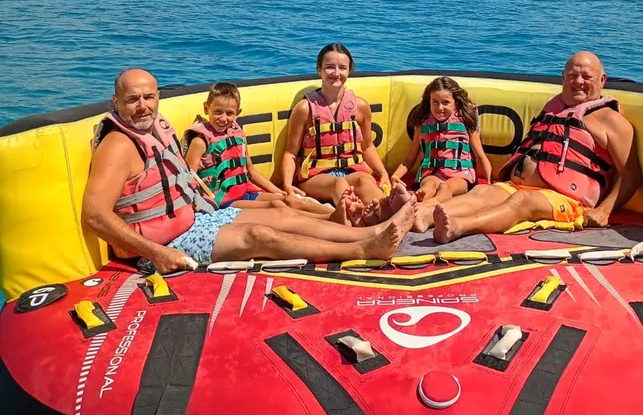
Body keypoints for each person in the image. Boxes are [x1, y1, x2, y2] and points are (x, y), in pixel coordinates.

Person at [81, 68, 415, 274]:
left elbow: (175, 175)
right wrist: (157, 253)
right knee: (258, 236)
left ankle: (376, 231)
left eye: (149, 97)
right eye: (133, 99)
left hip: (196, 218)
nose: (143, 106)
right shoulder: (119, 145)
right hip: (167, 242)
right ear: (116, 102)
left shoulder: (155, 130)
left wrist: (196, 187)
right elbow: (94, 216)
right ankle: (361, 249)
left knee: (283, 215)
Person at [413, 51, 641, 242]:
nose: (578, 81)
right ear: (563, 77)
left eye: (586, 76)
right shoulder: (555, 107)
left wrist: (604, 211)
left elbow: (631, 173)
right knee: (483, 192)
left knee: (522, 202)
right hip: (519, 186)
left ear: (602, 80)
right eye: (572, 75)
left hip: (568, 201)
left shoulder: (610, 120)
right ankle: (422, 214)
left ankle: (457, 227)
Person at [183, 81, 331, 216]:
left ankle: (336, 215)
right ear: (206, 108)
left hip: (245, 191)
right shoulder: (200, 142)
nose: (223, 118)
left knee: (290, 200)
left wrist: (281, 192)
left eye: (229, 113)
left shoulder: (238, 134)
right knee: (277, 206)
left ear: (238, 113)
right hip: (223, 201)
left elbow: (251, 172)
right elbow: (188, 180)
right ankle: (328, 219)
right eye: (217, 112)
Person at [281, 43, 391, 207]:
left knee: (365, 182)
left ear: (349, 71)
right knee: (338, 185)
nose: (336, 73)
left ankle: (386, 211)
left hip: (353, 171)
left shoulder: (360, 106)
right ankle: (356, 216)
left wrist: (383, 174)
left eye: (342, 68)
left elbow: (367, 146)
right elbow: (290, 153)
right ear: (319, 69)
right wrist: (287, 185)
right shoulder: (305, 109)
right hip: (316, 177)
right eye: (330, 67)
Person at [390, 76, 493, 202]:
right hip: (432, 173)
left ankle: (428, 204)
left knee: (446, 187)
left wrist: (488, 183)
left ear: (455, 101)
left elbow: (481, 156)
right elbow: (410, 159)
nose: (440, 108)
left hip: (460, 175)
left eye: (446, 102)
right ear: (429, 101)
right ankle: (418, 200)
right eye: (435, 102)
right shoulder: (422, 122)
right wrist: (395, 176)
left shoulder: (466, 120)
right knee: (429, 185)